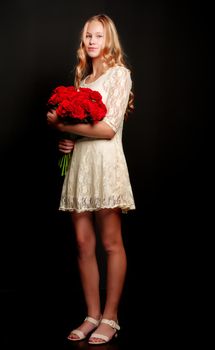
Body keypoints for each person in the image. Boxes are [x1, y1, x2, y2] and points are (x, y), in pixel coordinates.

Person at [47, 13, 135, 345]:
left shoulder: (119, 75)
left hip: (106, 164)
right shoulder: (83, 81)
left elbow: (108, 129)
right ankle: (91, 315)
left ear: (108, 39)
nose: (91, 41)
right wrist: (68, 141)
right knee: (84, 244)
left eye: (98, 35)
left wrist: (61, 125)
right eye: (87, 36)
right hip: (81, 165)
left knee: (111, 243)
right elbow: (83, 133)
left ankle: (110, 317)